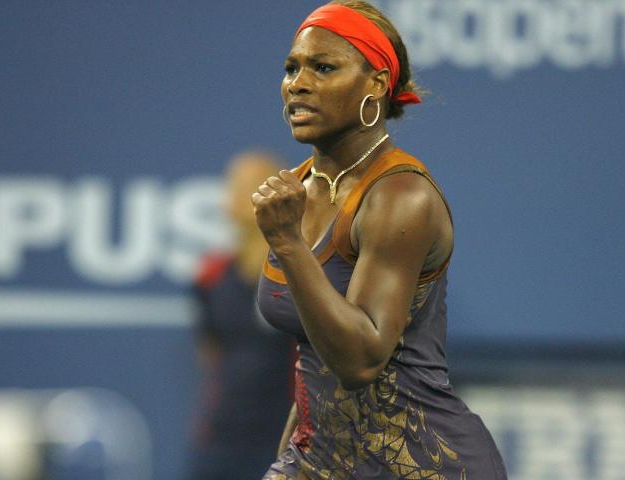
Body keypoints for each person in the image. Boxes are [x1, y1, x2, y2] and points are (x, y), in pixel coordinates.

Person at [252, 1, 508, 478]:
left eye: (323, 67)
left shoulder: (400, 196)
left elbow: (359, 359)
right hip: (321, 461)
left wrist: (287, 242)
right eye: (292, 68)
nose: (298, 83)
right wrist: (287, 458)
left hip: (428, 465)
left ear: (375, 84)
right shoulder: (298, 190)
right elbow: (316, 359)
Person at [187, 152, 294, 480]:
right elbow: (210, 353)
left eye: (254, 185)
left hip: (289, 443)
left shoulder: (303, 276)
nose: (243, 195)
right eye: (236, 186)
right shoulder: (209, 277)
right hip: (221, 441)